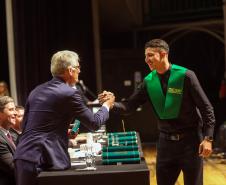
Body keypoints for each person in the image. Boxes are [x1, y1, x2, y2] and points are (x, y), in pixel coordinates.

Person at [99, 39, 215, 185]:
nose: (146, 60)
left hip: (191, 143)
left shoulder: (186, 76)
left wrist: (208, 138)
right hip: (165, 144)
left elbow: (206, 108)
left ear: (163, 54)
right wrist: (111, 103)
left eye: (150, 55)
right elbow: (129, 107)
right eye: (145, 56)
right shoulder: (148, 81)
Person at [14, 50, 115, 185]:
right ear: (70, 70)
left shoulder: (36, 90)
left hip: (23, 157)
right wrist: (107, 105)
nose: (80, 70)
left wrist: (60, 132)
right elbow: (94, 123)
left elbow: (25, 127)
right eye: (78, 67)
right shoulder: (69, 93)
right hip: (43, 160)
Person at [0, 96, 17, 185]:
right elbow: (14, 168)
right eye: (11, 109)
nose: (15, 113)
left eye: (15, 109)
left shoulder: (13, 134)